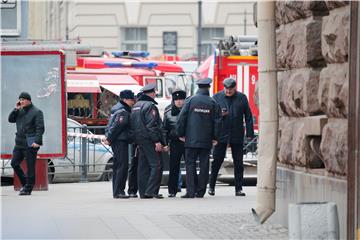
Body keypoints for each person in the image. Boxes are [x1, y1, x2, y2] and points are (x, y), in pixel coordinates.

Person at [208, 77, 254, 197]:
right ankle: (211, 186)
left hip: (236, 134)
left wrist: (249, 134)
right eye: (226, 89)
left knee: (238, 163)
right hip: (221, 135)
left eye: (230, 89)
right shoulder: (216, 97)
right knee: (217, 161)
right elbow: (211, 117)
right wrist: (220, 115)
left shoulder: (242, 98)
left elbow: (248, 116)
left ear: (235, 88)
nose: (228, 91)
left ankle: (238, 189)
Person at [176, 78, 221, 198]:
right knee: (204, 165)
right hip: (206, 140)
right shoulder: (213, 102)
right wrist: (215, 137)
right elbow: (217, 122)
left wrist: (180, 134)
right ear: (209, 88)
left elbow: (182, 118)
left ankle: (190, 192)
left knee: (190, 164)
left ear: (198, 87)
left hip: (190, 139)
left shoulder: (190, 100)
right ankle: (201, 191)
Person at [130, 83, 166, 199]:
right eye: (155, 92)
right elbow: (152, 125)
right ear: (151, 93)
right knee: (157, 165)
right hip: (149, 139)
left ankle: (143, 191)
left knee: (143, 167)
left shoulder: (136, 106)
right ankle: (151, 191)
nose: (155, 94)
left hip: (139, 140)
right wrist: (157, 141)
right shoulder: (150, 106)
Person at [9, 92, 45, 196]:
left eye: (23, 99)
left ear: (29, 100)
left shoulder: (37, 112)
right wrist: (16, 109)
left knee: (30, 167)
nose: (21, 101)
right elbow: (10, 120)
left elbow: (40, 128)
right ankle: (25, 183)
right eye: (20, 99)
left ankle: (28, 188)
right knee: (14, 163)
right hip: (19, 143)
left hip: (30, 143)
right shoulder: (19, 111)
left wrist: (37, 142)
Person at [104, 90, 135, 199]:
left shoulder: (117, 108)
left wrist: (109, 137)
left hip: (117, 141)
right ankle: (119, 191)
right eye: (131, 100)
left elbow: (110, 125)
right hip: (120, 141)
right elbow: (117, 126)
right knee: (122, 166)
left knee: (118, 166)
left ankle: (117, 191)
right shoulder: (123, 111)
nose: (133, 102)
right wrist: (109, 138)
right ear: (125, 100)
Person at [163, 89, 186, 197]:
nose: (179, 102)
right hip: (175, 143)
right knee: (173, 167)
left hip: (188, 142)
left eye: (181, 99)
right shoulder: (168, 112)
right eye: (176, 100)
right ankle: (172, 190)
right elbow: (165, 129)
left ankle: (192, 188)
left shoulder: (189, 110)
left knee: (190, 166)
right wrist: (165, 143)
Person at [127, 91, 144, 198]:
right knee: (135, 165)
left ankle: (133, 189)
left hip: (136, 140)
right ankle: (133, 189)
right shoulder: (135, 110)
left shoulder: (133, 109)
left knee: (135, 165)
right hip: (136, 141)